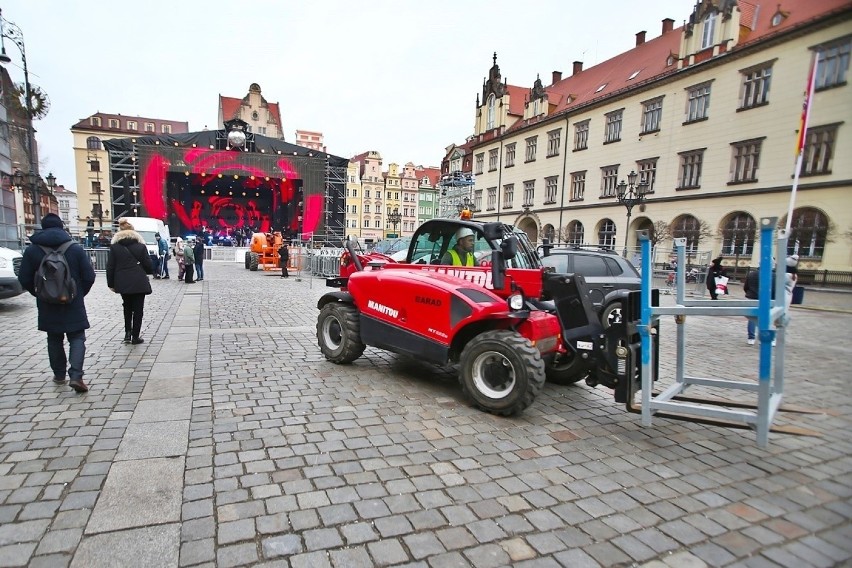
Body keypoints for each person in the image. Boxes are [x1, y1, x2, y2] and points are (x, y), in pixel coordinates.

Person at [17, 213, 96, 393]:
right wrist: (78, 294)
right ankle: (76, 376)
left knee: (54, 338)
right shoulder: (74, 248)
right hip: (72, 300)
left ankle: (59, 375)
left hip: (47, 302)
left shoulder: (33, 250)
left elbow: (24, 278)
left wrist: (39, 293)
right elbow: (89, 276)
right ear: (61, 227)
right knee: (77, 337)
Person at [107, 219, 154, 345]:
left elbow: (110, 266)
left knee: (127, 307)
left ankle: (127, 333)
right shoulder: (141, 247)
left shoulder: (115, 247)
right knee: (138, 310)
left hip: (122, 282)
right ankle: (135, 336)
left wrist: (111, 283)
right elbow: (149, 266)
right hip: (138, 282)